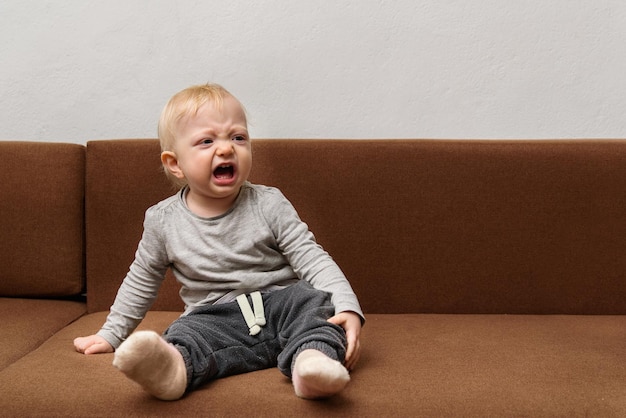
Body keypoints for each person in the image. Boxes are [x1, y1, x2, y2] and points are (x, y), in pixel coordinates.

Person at [73, 83, 364, 401]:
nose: (226, 149)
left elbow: (312, 258)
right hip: (215, 317)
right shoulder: (163, 221)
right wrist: (111, 334)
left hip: (281, 306)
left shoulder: (269, 203)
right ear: (175, 163)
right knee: (184, 333)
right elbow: (140, 280)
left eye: (238, 137)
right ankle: (172, 369)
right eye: (207, 141)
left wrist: (348, 308)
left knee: (315, 305)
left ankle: (312, 363)